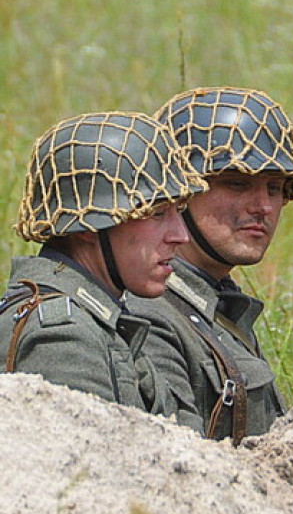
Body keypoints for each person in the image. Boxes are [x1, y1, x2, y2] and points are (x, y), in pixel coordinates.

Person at [129, 86, 293, 444]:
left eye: (275, 188)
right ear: (180, 193)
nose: (264, 206)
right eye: (237, 184)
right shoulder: (150, 316)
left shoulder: (219, 306)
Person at [0, 111, 206, 411]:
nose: (180, 236)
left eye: (179, 211)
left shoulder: (98, 318)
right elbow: (89, 456)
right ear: (88, 226)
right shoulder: (62, 338)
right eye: (157, 213)